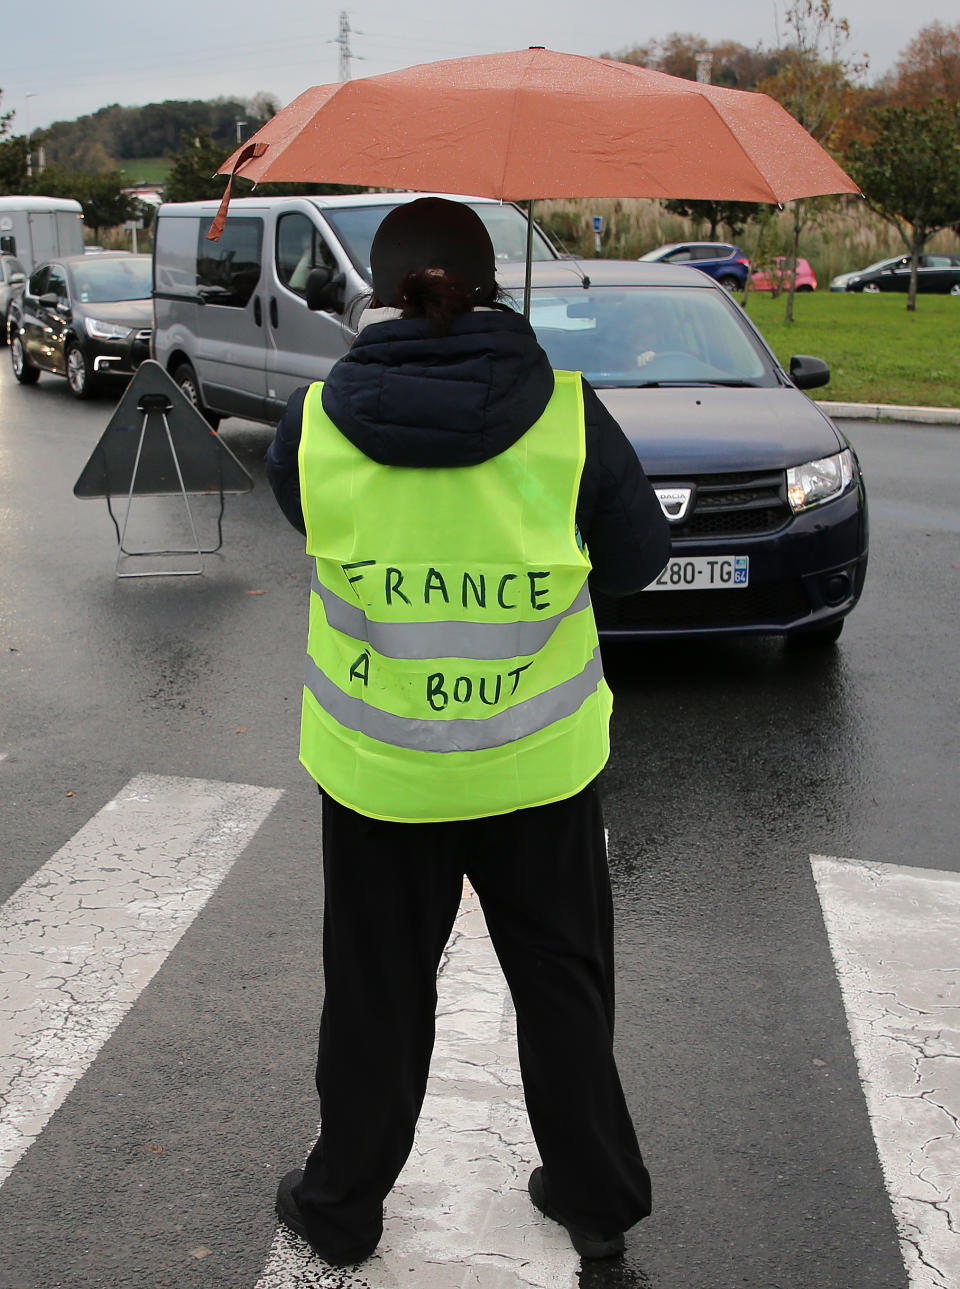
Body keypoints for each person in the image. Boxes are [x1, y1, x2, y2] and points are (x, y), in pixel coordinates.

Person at [264, 197, 670, 1267]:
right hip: (539, 771)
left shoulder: (314, 420)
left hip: (381, 776)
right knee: (563, 988)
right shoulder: (571, 415)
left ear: (383, 289)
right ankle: (595, 1203)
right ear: (489, 285)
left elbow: (309, 520)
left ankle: (342, 1204)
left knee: (375, 997)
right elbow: (637, 560)